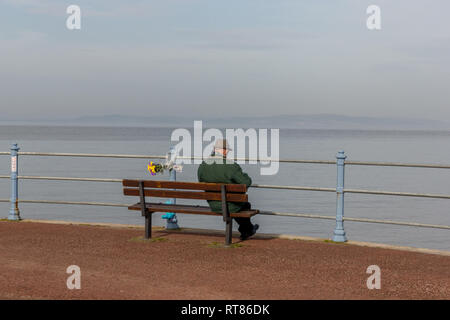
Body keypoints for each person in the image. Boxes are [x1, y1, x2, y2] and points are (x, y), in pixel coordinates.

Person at [197, 139, 259, 240]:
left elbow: (201, 181)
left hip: (213, 204)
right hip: (229, 204)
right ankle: (247, 230)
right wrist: (245, 175)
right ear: (224, 151)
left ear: (214, 150)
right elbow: (246, 182)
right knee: (244, 205)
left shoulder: (202, 166)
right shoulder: (231, 165)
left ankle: (247, 230)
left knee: (238, 204)